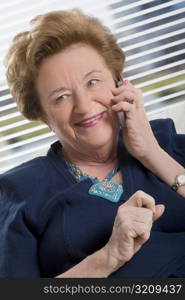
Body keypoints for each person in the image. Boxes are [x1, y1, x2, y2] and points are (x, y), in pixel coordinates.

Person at [1, 9, 185, 278]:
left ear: (119, 81)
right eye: (61, 97)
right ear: (41, 115)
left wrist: (152, 153)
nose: (85, 107)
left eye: (93, 82)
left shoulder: (167, 144)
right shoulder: (21, 192)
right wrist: (108, 257)